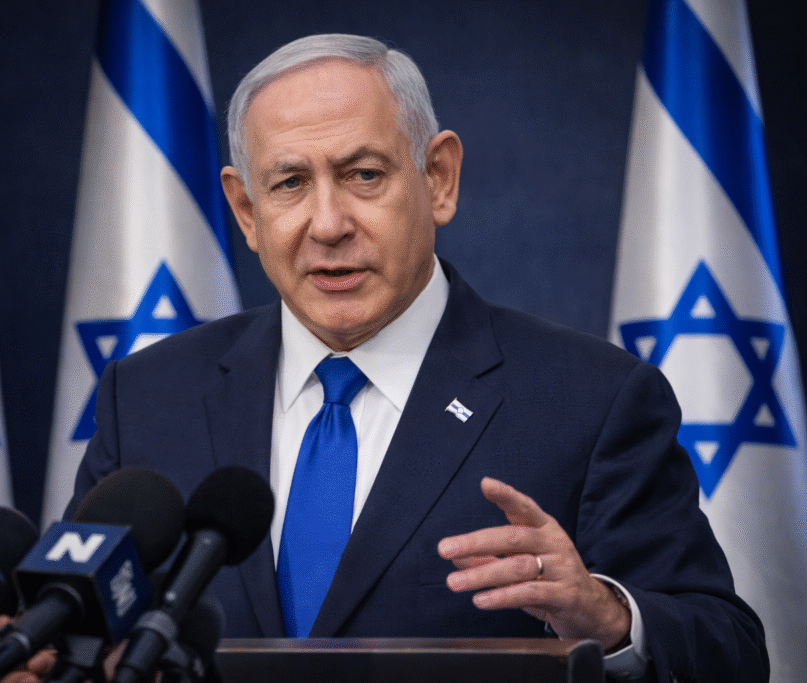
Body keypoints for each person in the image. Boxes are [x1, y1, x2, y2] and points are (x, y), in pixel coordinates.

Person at [64, 34, 767, 682]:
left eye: (364, 174)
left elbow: (730, 651)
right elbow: (72, 627)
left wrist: (609, 619)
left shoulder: (593, 400)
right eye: (289, 184)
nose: (328, 224)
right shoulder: (147, 399)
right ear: (247, 211)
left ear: (438, 178)